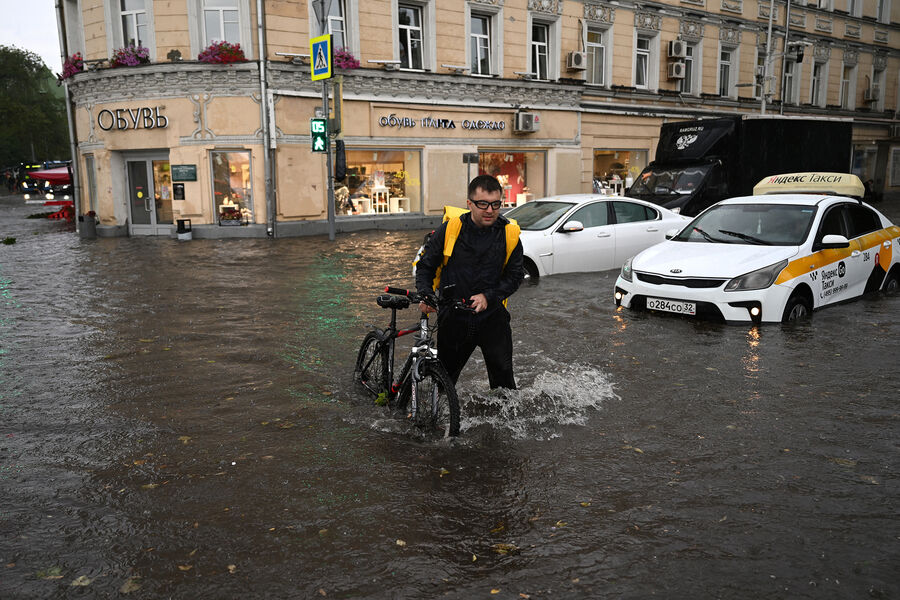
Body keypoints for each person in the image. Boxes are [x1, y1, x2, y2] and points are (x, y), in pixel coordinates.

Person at [414, 174, 525, 390]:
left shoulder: (509, 234)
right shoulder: (450, 229)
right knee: (443, 382)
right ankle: (439, 419)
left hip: (492, 318)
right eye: (483, 204)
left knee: (504, 385)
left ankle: (502, 422)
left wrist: (488, 297)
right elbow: (426, 265)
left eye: (495, 204)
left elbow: (515, 276)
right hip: (454, 318)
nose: (490, 210)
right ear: (469, 204)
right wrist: (426, 293)